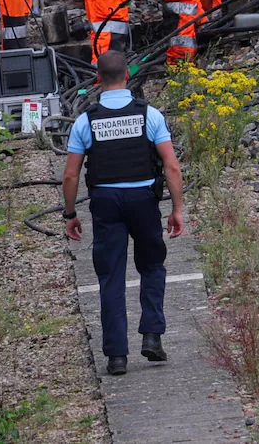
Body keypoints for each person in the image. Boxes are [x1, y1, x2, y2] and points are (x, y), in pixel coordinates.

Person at [62, 50, 185, 376]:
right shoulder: (150, 115)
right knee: (152, 266)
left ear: (98, 79)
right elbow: (171, 166)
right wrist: (177, 209)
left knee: (111, 276)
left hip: (105, 202)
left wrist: (70, 213)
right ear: (128, 76)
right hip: (144, 200)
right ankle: (152, 336)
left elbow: (71, 174)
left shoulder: (85, 121)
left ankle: (117, 356)